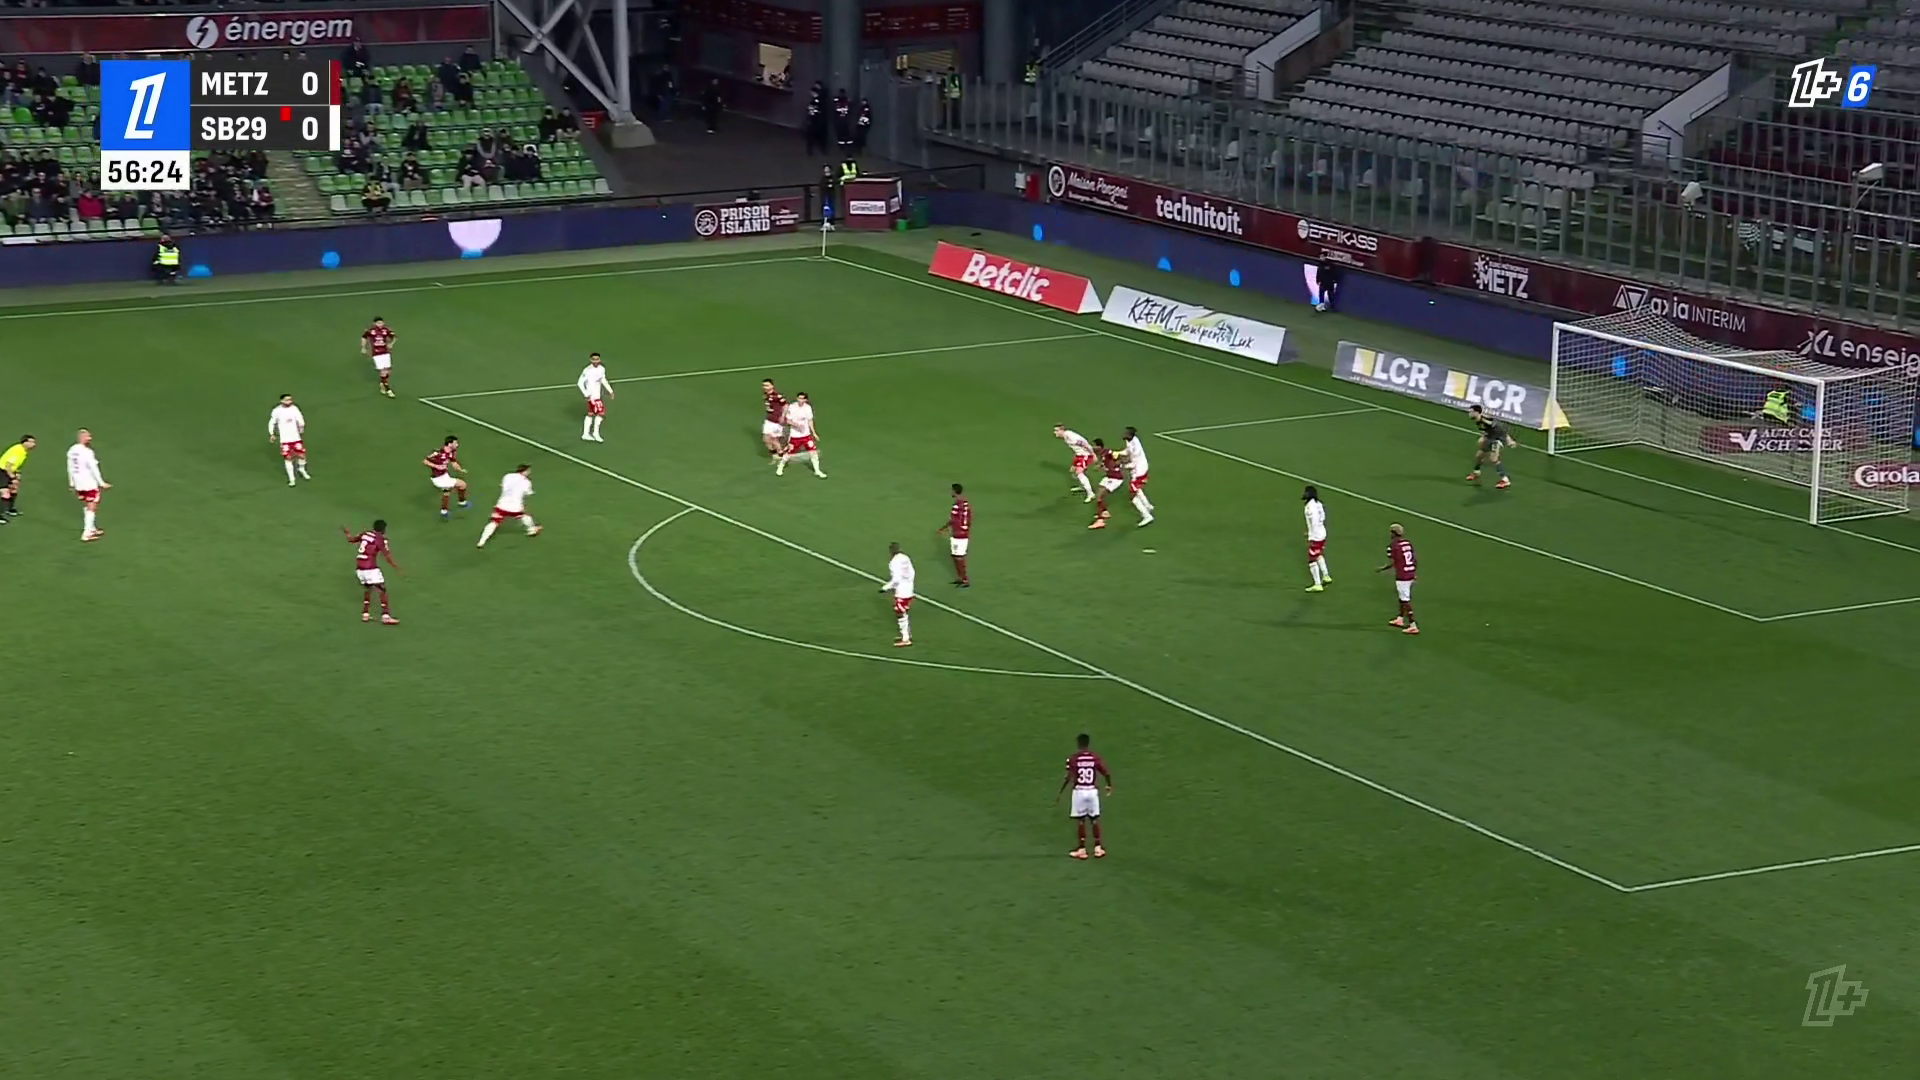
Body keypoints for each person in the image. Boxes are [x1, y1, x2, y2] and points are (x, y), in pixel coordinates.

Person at [1054, 733, 1112, 859]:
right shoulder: (1094, 757)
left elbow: (1069, 777)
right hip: (1092, 790)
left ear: (1078, 744)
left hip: (1079, 791)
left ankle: (1082, 849)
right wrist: (1109, 785)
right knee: (1094, 819)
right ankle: (1098, 848)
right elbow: (1106, 772)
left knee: (1081, 821)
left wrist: (1061, 791)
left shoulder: (1074, 759)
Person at [343, 520, 401, 625]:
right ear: (383, 529)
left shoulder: (365, 534)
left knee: (368, 588)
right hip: (370, 568)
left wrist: (347, 533)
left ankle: (365, 614)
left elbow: (351, 539)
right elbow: (387, 555)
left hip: (359, 568)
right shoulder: (380, 539)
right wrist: (396, 566)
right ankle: (386, 616)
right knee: (382, 590)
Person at [478, 465, 543, 547]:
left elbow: (503, 486)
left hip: (502, 505)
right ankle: (531, 530)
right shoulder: (527, 482)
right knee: (524, 516)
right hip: (515, 507)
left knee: (494, 522)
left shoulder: (508, 476)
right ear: (525, 471)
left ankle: (482, 541)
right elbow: (528, 493)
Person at [65, 428, 108, 543]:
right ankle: (87, 533)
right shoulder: (87, 452)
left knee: (88, 504)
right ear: (82, 438)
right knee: (92, 506)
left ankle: (92, 528)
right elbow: (94, 468)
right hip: (89, 482)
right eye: (88, 436)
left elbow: (70, 467)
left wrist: (71, 483)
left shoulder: (72, 450)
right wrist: (101, 483)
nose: (90, 438)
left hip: (78, 483)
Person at [1377, 523, 1419, 634]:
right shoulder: (1408, 543)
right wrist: (1414, 572)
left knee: (1405, 599)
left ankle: (1413, 625)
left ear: (1393, 533)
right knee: (1402, 597)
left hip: (1403, 575)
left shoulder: (1393, 546)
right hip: (1410, 572)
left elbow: (1393, 562)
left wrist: (1382, 568)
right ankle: (1400, 618)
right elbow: (1414, 559)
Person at [1465, 404, 1516, 489]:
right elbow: (1486, 430)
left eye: (1471, 412)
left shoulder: (1486, 420)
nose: (1469, 414)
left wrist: (1509, 440)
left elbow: (1500, 429)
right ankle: (1476, 472)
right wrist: (1484, 437)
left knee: (1493, 459)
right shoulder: (1477, 420)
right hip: (1489, 437)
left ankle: (1506, 480)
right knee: (1479, 456)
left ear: (1477, 412)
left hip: (1498, 439)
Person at [774, 391, 824, 477]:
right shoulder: (792, 407)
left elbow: (810, 420)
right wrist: (796, 425)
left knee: (813, 452)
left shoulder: (808, 408)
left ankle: (817, 470)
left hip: (806, 435)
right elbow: (788, 420)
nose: (800, 400)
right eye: (799, 398)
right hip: (795, 436)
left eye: (802, 398)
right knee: (789, 454)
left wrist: (814, 433)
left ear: (805, 400)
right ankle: (780, 466)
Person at [268, 393, 311, 486]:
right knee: (288, 458)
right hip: (285, 439)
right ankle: (292, 479)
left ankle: (302, 469)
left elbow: (300, 419)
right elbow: (272, 422)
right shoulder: (277, 411)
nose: (289, 401)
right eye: (287, 400)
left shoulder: (294, 409)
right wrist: (272, 434)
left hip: (296, 437)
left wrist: (301, 428)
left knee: (302, 455)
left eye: (290, 399)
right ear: (282, 401)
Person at [423, 436, 470, 519]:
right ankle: (462, 502)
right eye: (455, 443)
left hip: (445, 475)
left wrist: (459, 469)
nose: (457, 445)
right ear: (449, 444)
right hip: (438, 478)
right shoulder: (437, 452)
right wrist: (436, 466)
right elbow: (425, 461)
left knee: (447, 492)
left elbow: (453, 462)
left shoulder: (452, 451)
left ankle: (444, 511)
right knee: (463, 485)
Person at [878, 541, 915, 647]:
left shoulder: (894, 562)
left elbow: (896, 579)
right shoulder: (905, 557)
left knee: (900, 613)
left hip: (902, 592)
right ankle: (906, 635)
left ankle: (906, 639)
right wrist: (909, 582)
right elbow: (912, 572)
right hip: (909, 589)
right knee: (903, 612)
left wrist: (885, 588)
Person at [935, 482, 971, 587]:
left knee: (959, 557)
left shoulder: (959, 505)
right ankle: (960, 578)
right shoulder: (963, 504)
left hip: (960, 535)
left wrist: (943, 529)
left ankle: (965, 580)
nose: (950, 492)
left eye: (951, 490)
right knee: (955, 556)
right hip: (958, 534)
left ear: (955, 491)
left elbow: (955, 520)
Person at [1088, 437, 1125, 529]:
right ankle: (1104, 512)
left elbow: (1119, 457)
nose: (1092, 447)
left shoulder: (1108, 452)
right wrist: (1100, 466)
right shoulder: (1101, 454)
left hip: (1115, 478)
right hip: (1108, 477)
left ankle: (1100, 521)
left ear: (1099, 447)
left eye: (1094, 446)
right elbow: (1105, 462)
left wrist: (1117, 464)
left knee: (1099, 496)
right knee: (1098, 495)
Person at [576, 352, 614, 442]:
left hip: (597, 395)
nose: (596, 361)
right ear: (590, 360)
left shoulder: (602, 369)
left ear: (600, 360)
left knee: (591, 413)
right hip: (591, 396)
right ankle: (595, 434)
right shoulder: (587, 370)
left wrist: (610, 391)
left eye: (597, 359)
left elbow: (603, 380)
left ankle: (586, 434)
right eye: (594, 359)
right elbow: (580, 383)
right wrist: (586, 394)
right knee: (600, 413)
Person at [1302, 485, 1331, 592]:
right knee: (1319, 554)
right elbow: (1322, 517)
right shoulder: (1318, 504)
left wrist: (1311, 534)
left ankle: (1317, 584)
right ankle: (1326, 576)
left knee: (1311, 559)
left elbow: (1313, 521)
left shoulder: (1310, 507)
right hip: (1322, 532)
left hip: (1316, 536)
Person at [1055, 423, 1095, 501]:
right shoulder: (1065, 436)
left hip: (1085, 455)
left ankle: (1091, 494)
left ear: (1062, 430)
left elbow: (1085, 444)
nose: (1055, 433)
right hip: (1079, 455)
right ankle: (1083, 486)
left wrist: (1093, 454)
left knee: (1079, 473)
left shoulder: (1070, 436)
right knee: (1072, 471)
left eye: (1057, 430)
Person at [1123, 426, 1154, 526]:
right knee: (1137, 488)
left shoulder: (1136, 448)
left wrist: (1122, 466)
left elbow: (1133, 463)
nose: (1123, 434)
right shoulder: (1130, 441)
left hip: (1139, 471)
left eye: (1126, 433)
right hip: (1137, 470)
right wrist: (1118, 453)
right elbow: (1127, 451)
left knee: (1132, 496)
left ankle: (1147, 516)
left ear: (1130, 435)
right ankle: (1148, 506)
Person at [361, 315, 397, 397]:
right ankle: (388, 390)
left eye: (381, 323)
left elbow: (394, 337)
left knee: (388, 371)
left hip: (386, 352)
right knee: (383, 371)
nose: (380, 324)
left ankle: (382, 383)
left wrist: (391, 344)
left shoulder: (386, 330)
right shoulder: (371, 331)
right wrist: (363, 347)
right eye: (378, 323)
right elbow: (364, 337)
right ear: (375, 323)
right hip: (377, 354)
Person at [0, 434, 32, 521]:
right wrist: (13, 478)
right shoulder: (18, 451)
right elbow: (8, 466)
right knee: (5, 493)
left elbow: (16, 464)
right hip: (2, 471)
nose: (34, 444)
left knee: (14, 490)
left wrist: (17, 473)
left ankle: (9, 509)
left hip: (10, 471)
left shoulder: (24, 451)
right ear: (24, 442)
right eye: (31, 442)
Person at [760, 379, 787, 461]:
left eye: (767, 385)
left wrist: (783, 416)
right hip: (769, 420)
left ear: (772, 386)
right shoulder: (766, 395)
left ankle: (781, 456)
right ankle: (775, 455)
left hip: (776, 421)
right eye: (764, 385)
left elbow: (785, 405)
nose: (765, 387)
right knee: (766, 439)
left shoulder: (777, 395)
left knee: (774, 440)